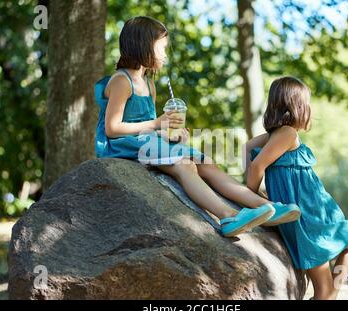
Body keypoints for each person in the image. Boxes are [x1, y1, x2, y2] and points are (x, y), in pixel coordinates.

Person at [94, 16, 300, 238]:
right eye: (161, 48)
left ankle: (265, 206)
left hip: (145, 141)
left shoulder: (149, 84)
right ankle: (227, 215)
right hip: (121, 145)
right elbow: (112, 128)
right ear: (142, 45)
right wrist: (156, 124)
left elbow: (153, 129)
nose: (165, 55)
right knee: (185, 165)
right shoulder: (121, 81)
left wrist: (170, 134)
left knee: (204, 161)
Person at [246, 76, 348, 299]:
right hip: (307, 221)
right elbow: (257, 167)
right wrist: (250, 198)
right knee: (324, 289)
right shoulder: (287, 134)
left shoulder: (276, 135)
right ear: (296, 106)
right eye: (307, 102)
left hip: (316, 213)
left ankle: (334, 290)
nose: (310, 108)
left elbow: (248, 147)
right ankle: (330, 293)